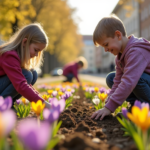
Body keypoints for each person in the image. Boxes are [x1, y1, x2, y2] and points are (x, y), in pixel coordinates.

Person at [91, 14, 150, 120]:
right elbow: (117, 81)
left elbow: (129, 81)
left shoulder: (136, 51)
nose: (106, 50)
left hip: (145, 83)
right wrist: (107, 107)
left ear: (118, 35)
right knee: (111, 78)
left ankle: (146, 108)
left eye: (106, 44)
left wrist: (110, 108)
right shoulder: (119, 57)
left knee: (136, 79)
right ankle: (135, 108)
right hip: (145, 85)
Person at [0, 23, 50, 108]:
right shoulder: (9, 55)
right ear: (25, 42)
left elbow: (23, 82)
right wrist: (43, 104)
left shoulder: (16, 56)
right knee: (27, 75)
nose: (36, 55)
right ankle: (3, 105)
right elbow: (20, 84)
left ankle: (8, 104)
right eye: (36, 50)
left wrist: (40, 99)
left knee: (33, 74)